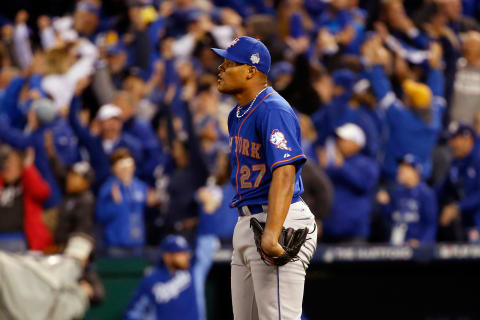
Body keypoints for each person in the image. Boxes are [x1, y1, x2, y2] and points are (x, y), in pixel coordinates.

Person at [211, 36, 317, 319]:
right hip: (247, 221)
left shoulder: (272, 108)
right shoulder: (237, 113)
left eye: (228, 63)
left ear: (250, 70)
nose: (220, 69)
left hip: (277, 221)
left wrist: (272, 232)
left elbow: (284, 172)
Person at [319, 123, 379, 243]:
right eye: (338, 139)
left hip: (354, 231)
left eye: (344, 140)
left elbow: (365, 185)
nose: (339, 142)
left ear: (356, 143)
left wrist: (343, 167)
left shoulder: (367, 164)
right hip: (330, 229)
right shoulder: (332, 167)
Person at [124, 234, 199, 320]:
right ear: (167, 257)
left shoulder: (192, 272)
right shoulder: (152, 280)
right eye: (180, 254)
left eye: (186, 253)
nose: (186, 257)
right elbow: (133, 312)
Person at [376, 154, 437, 246]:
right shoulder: (396, 191)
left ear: (416, 171)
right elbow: (390, 218)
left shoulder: (426, 194)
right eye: (400, 167)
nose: (400, 170)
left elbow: (430, 224)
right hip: (395, 244)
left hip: (415, 246)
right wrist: (385, 204)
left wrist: (422, 243)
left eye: (406, 168)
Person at [0, 146, 53, 251]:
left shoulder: (26, 184)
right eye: (5, 163)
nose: (7, 166)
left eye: (12, 163)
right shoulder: (2, 184)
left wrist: (28, 168)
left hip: (19, 240)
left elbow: (42, 193)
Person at [96, 148, 149, 253]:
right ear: (114, 169)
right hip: (115, 244)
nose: (126, 170)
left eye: (128, 166)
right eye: (121, 167)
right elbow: (100, 216)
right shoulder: (108, 189)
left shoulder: (141, 187)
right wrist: (115, 204)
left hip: (138, 243)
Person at [438, 122, 480, 242]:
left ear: (467, 139)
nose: (451, 144)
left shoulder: (478, 159)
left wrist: (457, 207)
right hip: (468, 223)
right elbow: (443, 188)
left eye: (454, 139)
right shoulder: (456, 162)